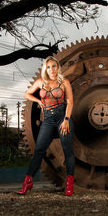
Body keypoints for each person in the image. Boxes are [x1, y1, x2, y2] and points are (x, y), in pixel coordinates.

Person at [17, 56, 75, 196]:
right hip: (48, 119)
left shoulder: (64, 82)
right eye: (48, 67)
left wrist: (66, 120)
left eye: (54, 66)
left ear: (58, 68)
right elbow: (26, 94)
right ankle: (27, 183)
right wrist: (38, 100)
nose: (51, 70)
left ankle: (69, 185)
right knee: (39, 150)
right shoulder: (40, 82)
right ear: (45, 69)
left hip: (62, 117)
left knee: (67, 150)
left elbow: (70, 102)